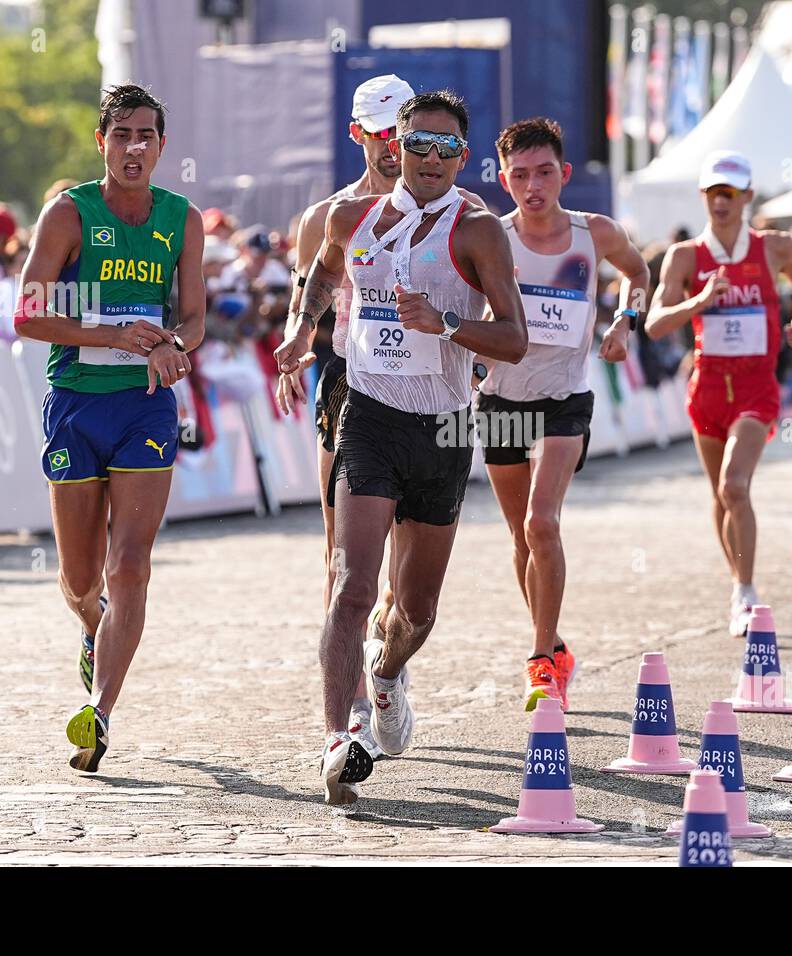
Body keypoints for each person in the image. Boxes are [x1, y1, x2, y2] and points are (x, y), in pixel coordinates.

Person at [275, 89, 527, 804]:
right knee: (350, 584)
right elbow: (324, 272)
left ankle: (386, 677)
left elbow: (513, 337)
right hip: (371, 418)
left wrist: (447, 323)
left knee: (415, 611)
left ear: (464, 158)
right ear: (399, 145)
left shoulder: (477, 229)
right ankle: (337, 740)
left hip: (444, 430)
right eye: (420, 144)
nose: (432, 158)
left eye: (449, 149)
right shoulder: (348, 216)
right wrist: (301, 329)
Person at [14, 83, 206, 772]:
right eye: (121, 134)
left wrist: (173, 348)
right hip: (77, 402)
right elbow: (28, 316)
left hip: (145, 408)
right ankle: (96, 627)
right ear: (102, 142)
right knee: (79, 579)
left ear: (161, 145)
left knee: (130, 565)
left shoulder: (182, 219)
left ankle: (101, 714)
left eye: (146, 135)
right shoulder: (67, 214)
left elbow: (193, 318)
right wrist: (113, 334)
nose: (134, 147)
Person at [477, 117, 649, 710]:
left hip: (564, 399)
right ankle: (555, 646)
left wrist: (625, 322)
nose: (533, 186)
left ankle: (541, 660)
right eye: (520, 175)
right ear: (503, 179)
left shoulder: (594, 232)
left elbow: (638, 273)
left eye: (544, 172)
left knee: (540, 524)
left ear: (564, 174)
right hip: (500, 400)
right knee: (522, 544)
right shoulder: (490, 237)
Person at [645, 150, 792, 637]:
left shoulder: (775, 246)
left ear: (747, 197)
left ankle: (746, 589)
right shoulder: (684, 257)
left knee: (734, 486)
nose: (721, 202)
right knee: (720, 494)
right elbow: (655, 325)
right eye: (714, 193)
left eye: (731, 193)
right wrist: (699, 301)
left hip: (756, 390)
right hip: (707, 390)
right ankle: (737, 582)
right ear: (703, 196)